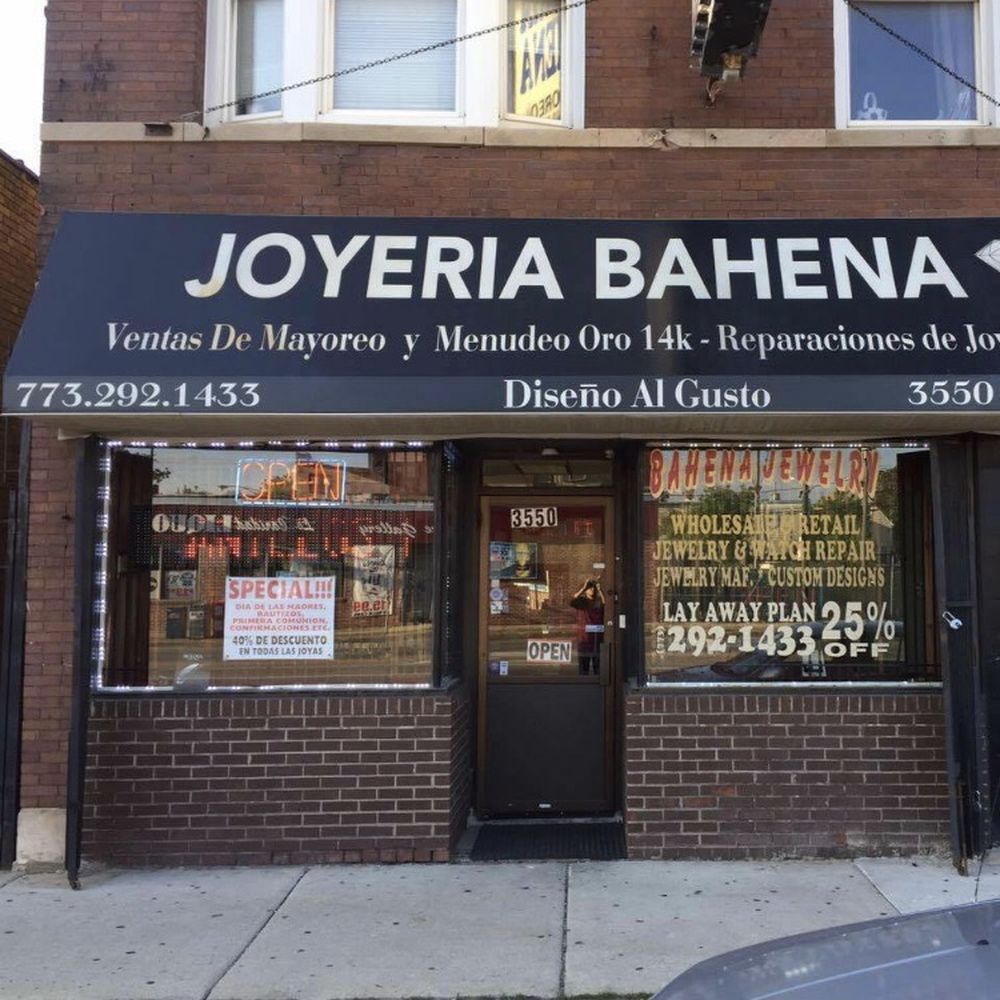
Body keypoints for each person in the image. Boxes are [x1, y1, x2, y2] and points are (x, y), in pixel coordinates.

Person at [570, 578, 605, 676]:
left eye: (593, 588)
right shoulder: (582, 602)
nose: (592, 589)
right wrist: (583, 588)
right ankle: (583, 683)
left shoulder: (597, 602)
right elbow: (572, 601)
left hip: (596, 639)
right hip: (584, 639)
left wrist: (600, 590)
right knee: (584, 667)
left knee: (597, 667)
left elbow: (605, 605)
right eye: (590, 588)